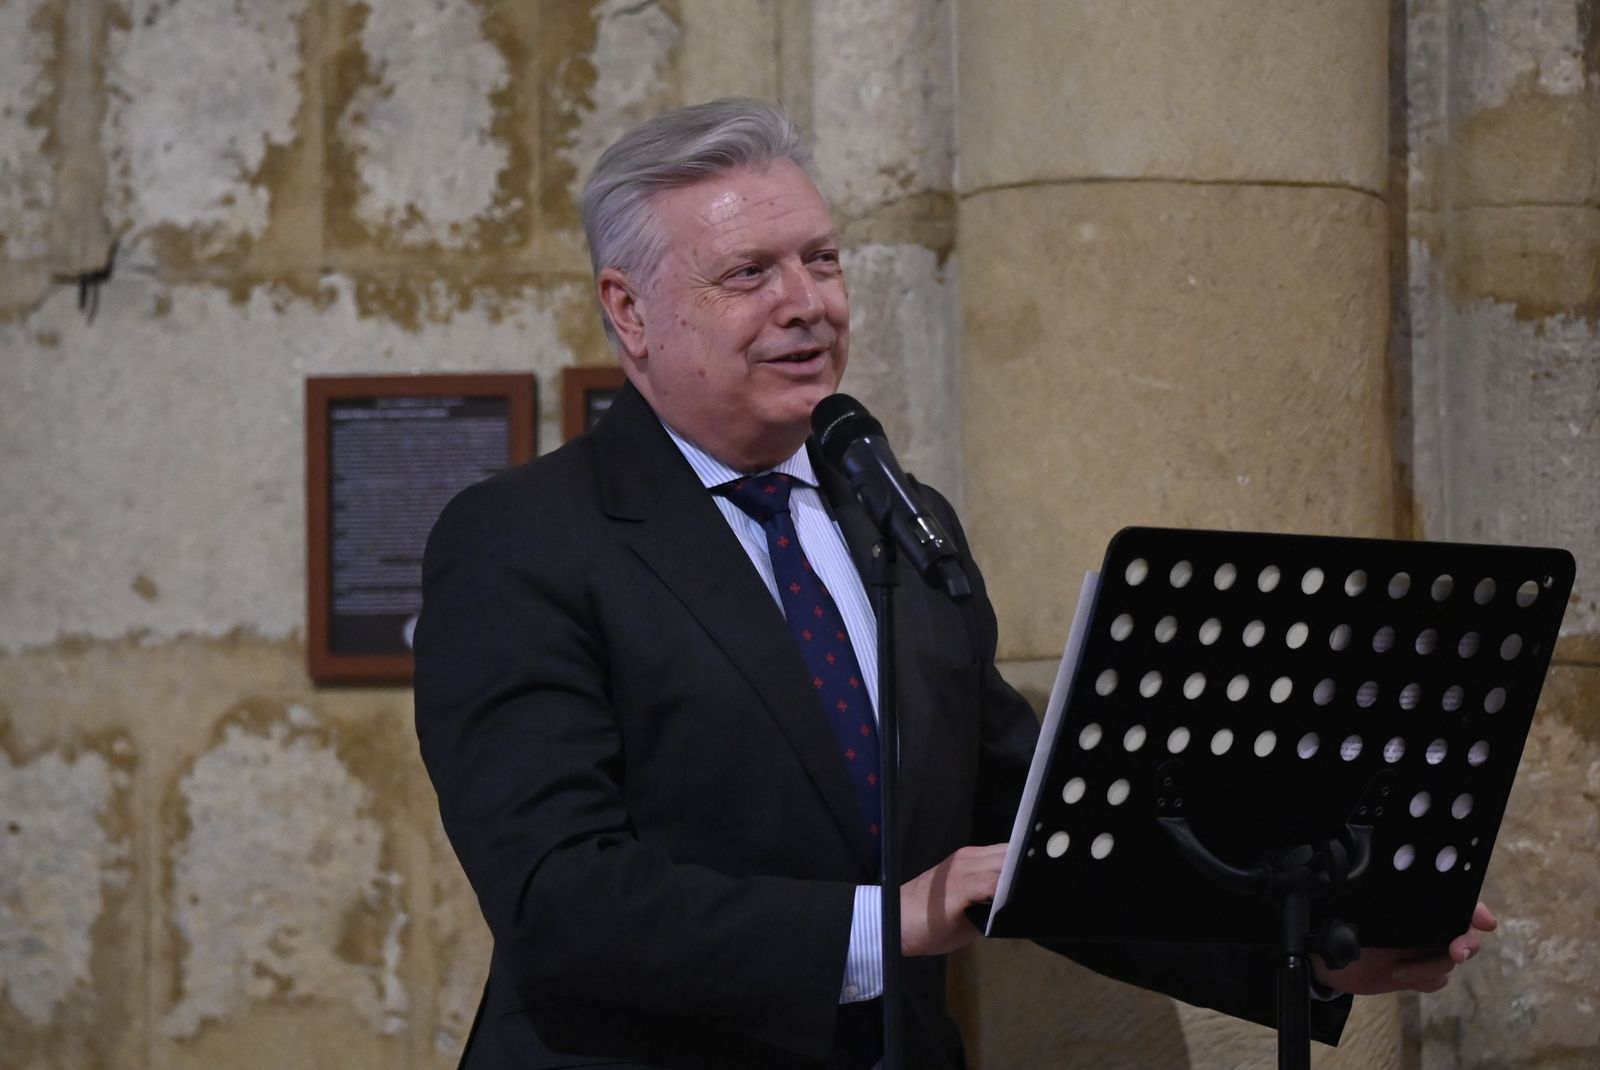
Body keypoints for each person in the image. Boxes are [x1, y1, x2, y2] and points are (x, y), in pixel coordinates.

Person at [414, 98, 1494, 1070]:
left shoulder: (894, 511)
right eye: (750, 273)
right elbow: (560, 898)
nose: (807, 304)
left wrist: (1307, 948)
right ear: (631, 310)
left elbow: (1043, 837)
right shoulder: (522, 540)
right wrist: (884, 923)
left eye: (823, 261)